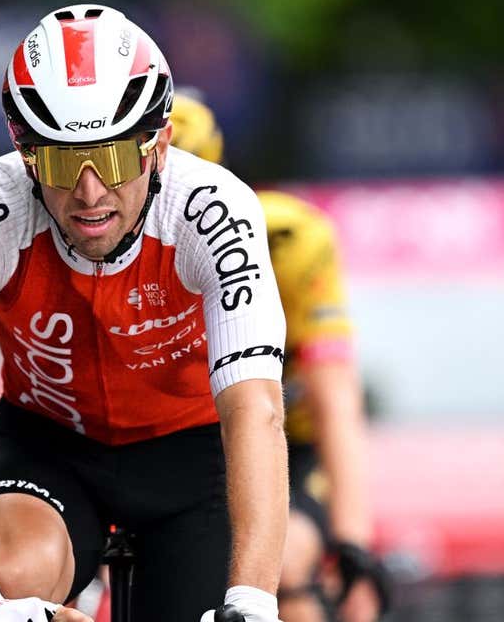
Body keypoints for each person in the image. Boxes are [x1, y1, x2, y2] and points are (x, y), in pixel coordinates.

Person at [0, 4, 289, 622]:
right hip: (48, 442)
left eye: (111, 158)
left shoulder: (213, 212)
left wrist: (254, 601)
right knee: (8, 578)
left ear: (158, 145)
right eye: (58, 161)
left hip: (190, 452)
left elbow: (257, 410)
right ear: (24, 155)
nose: (88, 192)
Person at [168, 90, 389, 622]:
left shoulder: (290, 239)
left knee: (285, 561)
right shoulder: (88, 238)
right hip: (175, 439)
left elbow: (337, 400)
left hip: (288, 440)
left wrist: (352, 544)